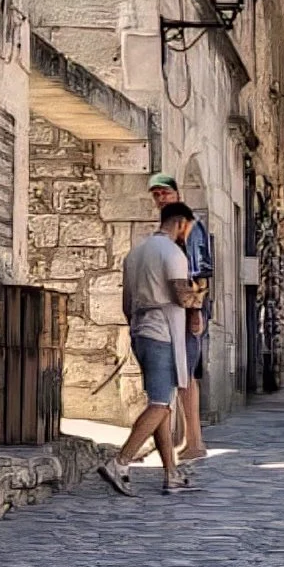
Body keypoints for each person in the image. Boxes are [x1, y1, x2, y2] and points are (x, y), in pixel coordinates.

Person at [102, 201, 197, 498]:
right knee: (160, 404)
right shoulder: (172, 253)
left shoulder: (135, 254)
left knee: (163, 405)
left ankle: (171, 473)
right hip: (162, 333)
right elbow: (182, 297)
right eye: (188, 229)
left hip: (141, 330)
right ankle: (120, 462)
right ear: (181, 223)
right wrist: (199, 299)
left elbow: (126, 303)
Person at [147, 171, 212, 463]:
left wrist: (195, 312)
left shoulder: (189, 226)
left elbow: (199, 271)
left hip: (188, 309)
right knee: (182, 373)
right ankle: (191, 439)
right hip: (173, 309)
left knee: (186, 373)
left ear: (177, 194)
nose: (161, 199)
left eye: (165, 193)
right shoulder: (170, 227)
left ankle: (195, 440)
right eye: (157, 195)